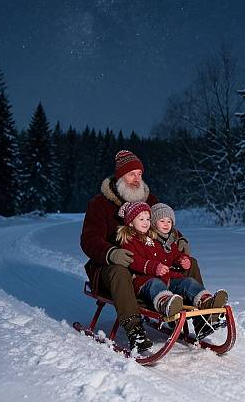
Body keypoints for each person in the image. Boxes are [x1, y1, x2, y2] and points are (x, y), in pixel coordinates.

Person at [80, 150, 204, 352]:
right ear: (120, 176)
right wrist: (111, 253)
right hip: (111, 267)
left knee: (190, 262)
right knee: (120, 270)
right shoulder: (99, 204)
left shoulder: (150, 200)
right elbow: (88, 240)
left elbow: (164, 223)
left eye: (139, 174)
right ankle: (135, 331)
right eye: (131, 174)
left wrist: (179, 239)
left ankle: (199, 319)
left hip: (148, 261)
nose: (137, 179)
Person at [117, 201, 228, 325]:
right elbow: (133, 260)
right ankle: (166, 304)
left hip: (167, 279)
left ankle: (206, 301)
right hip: (144, 282)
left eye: (148, 219)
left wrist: (182, 259)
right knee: (155, 284)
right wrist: (154, 267)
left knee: (188, 282)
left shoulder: (154, 237)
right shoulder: (128, 240)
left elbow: (172, 254)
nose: (145, 222)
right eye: (141, 219)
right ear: (131, 222)